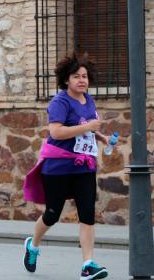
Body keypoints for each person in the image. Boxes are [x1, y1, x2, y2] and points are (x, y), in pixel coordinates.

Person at [22, 53, 109, 280]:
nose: (82, 80)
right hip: (59, 166)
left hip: (84, 166)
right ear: (66, 79)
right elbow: (56, 132)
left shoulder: (87, 99)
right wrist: (88, 126)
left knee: (87, 214)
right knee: (52, 214)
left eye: (85, 76)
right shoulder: (59, 102)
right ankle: (33, 244)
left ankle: (87, 264)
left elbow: (86, 126)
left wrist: (101, 137)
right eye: (76, 76)